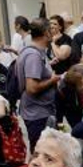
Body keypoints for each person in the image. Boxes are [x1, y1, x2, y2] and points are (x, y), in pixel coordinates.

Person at [15, 19, 57, 148]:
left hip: (39, 111)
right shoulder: (33, 55)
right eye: (51, 30)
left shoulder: (35, 53)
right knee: (40, 151)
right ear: (46, 33)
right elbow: (32, 88)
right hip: (37, 113)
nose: (54, 32)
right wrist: (53, 80)